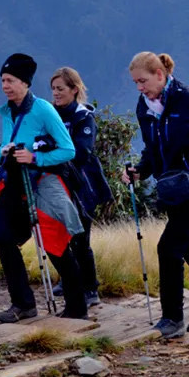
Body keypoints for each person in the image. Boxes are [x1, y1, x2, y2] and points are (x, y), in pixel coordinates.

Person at [0, 53, 88, 322]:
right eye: (3, 80)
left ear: (25, 83)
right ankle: (23, 305)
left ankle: (77, 308)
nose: (5, 86)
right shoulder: (8, 111)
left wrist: (35, 158)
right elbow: (6, 150)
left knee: (56, 245)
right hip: (14, 183)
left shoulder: (42, 109)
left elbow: (68, 150)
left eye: (10, 80)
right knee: (3, 238)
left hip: (41, 183)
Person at [122, 52, 189, 339]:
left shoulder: (188, 98)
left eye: (143, 81)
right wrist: (139, 171)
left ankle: (172, 318)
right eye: (135, 82)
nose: (139, 88)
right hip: (171, 188)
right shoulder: (144, 106)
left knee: (168, 248)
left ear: (160, 74)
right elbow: (152, 148)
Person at [49, 67, 114, 308]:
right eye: (53, 89)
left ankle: (90, 288)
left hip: (84, 185)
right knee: (58, 234)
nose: (56, 93)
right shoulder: (51, 114)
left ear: (74, 90)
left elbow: (82, 151)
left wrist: (52, 152)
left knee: (80, 238)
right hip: (58, 182)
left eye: (61, 89)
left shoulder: (83, 116)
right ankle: (68, 280)